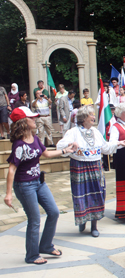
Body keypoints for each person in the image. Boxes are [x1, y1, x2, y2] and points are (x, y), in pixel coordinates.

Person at [4, 107, 75, 264]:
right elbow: (11, 169)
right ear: (23, 122)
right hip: (24, 186)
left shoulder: (35, 139)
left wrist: (66, 151)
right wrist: (8, 194)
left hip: (39, 182)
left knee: (54, 212)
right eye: (31, 118)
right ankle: (32, 255)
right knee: (35, 219)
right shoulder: (19, 145)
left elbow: (47, 154)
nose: (35, 119)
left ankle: (46, 245)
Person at [57, 105, 125, 237]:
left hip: (96, 165)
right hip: (79, 166)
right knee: (81, 195)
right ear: (83, 117)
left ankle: (94, 226)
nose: (94, 117)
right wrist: (71, 145)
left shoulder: (95, 132)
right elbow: (60, 146)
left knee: (97, 195)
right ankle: (82, 220)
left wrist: (119, 143)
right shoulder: (73, 132)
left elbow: (105, 148)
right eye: (91, 115)